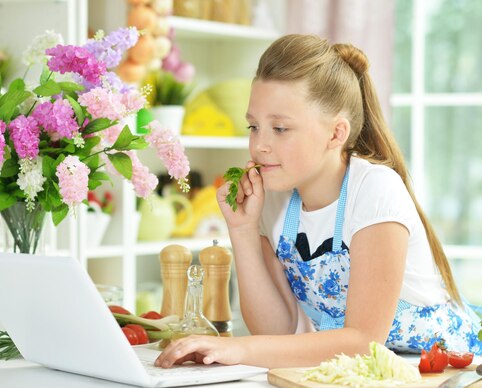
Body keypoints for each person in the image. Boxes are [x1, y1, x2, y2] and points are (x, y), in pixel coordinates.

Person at [155, 34, 482, 369]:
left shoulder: (374, 189)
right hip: (369, 373)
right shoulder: (274, 198)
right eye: (253, 126)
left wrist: (241, 349)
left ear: (336, 134)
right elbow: (276, 331)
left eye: (280, 128)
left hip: (449, 372)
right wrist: (242, 229)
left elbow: (362, 340)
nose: (260, 145)